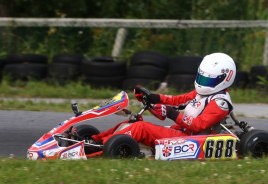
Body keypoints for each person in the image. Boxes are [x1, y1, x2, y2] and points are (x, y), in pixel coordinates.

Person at [90, 52, 236, 147]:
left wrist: (172, 114)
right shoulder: (202, 93)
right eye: (202, 78)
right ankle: (94, 140)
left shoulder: (220, 102)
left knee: (141, 128)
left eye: (208, 80)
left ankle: (100, 147)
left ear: (225, 78)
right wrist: (154, 98)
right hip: (182, 132)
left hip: (193, 140)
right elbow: (177, 101)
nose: (203, 83)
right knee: (133, 122)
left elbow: (198, 125)